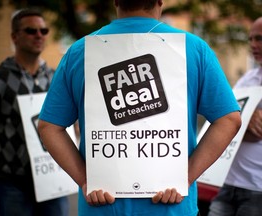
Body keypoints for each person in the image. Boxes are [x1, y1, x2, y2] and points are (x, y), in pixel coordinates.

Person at [38, 1, 241, 216]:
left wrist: (85, 180)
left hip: (102, 206)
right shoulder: (194, 48)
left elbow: (49, 126)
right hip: (171, 206)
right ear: (160, 1)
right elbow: (229, 119)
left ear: (115, 1)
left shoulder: (79, 51)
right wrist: (186, 178)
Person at [0, 8, 69, 216]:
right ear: (14, 36)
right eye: (31, 30)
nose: (39, 35)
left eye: (43, 31)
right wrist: (1, 167)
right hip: (13, 183)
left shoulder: (56, 78)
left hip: (54, 178)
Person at [208, 17, 262, 216]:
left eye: (259, 39)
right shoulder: (249, 78)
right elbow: (224, 121)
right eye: (250, 39)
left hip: (257, 189)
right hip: (228, 182)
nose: (253, 45)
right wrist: (247, 118)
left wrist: (239, 122)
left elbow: (254, 132)